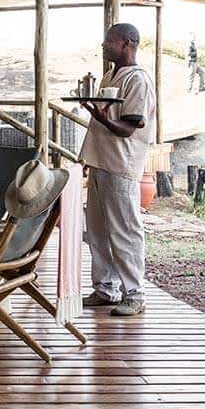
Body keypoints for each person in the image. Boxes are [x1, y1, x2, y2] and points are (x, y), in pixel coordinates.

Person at [79, 23, 155, 317]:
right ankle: (106, 289)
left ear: (127, 43)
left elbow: (127, 129)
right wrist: (85, 157)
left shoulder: (138, 80)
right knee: (97, 231)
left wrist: (99, 116)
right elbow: (99, 125)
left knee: (125, 230)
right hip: (101, 162)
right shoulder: (111, 76)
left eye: (109, 41)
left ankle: (135, 293)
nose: (104, 45)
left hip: (121, 164)